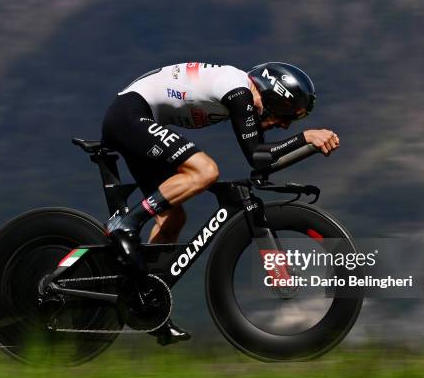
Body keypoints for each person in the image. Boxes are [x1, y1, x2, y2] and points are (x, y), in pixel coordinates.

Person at [101, 62, 339, 345]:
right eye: (287, 115)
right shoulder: (239, 91)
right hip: (130, 114)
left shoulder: (243, 96)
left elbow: (263, 162)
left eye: (292, 122)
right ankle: (125, 225)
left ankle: (146, 301)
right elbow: (257, 156)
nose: (285, 124)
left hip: (134, 117)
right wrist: (306, 137)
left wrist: (307, 147)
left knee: (173, 219)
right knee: (205, 171)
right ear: (272, 96)